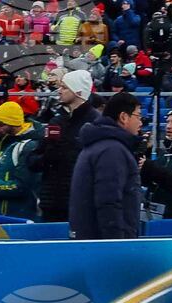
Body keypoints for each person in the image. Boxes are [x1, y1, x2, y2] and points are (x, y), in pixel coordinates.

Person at [27, 69, 101, 222]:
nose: (59, 91)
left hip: (81, 204)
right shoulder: (56, 121)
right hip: (52, 204)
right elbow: (33, 161)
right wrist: (48, 156)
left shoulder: (96, 123)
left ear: (78, 91)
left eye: (64, 87)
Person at [69, 92, 143, 239]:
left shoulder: (101, 145)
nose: (141, 123)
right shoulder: (112, 150)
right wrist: (115, 243)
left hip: (92, 240)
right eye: (138, 116)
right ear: (124, 117)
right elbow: (109, 201)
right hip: (103, 244)